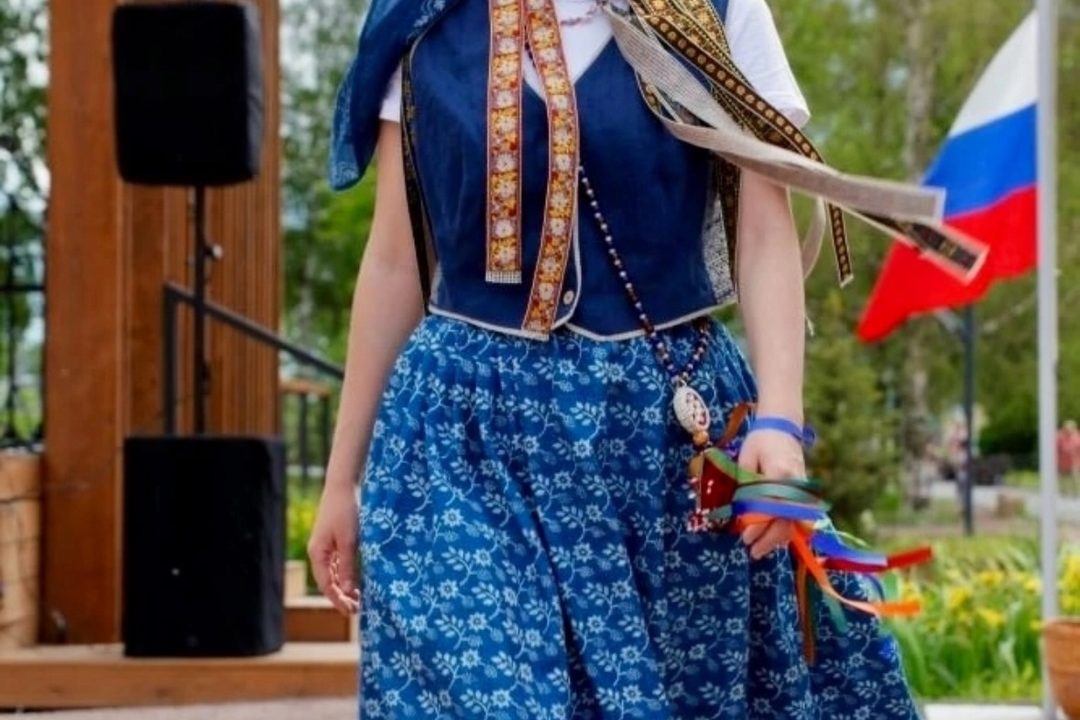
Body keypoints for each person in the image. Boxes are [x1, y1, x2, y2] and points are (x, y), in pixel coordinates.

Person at [308, 0, 921, 716]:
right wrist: (341, 479)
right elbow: (395, 259)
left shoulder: (716, 10)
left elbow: (763, 231)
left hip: (659, 435)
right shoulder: (420, 19)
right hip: (464, 438)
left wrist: (780, 422)